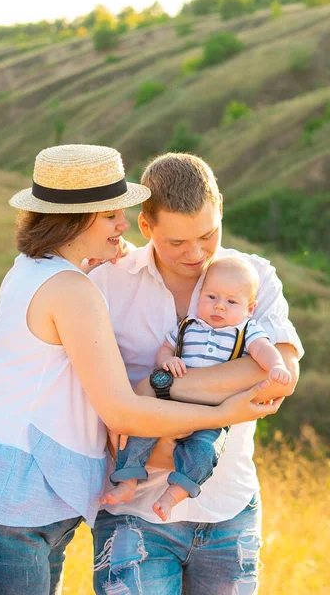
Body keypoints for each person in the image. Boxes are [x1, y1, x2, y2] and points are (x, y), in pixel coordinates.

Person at [0, 145, 278, 595]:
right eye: (112, 215)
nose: (123, 225)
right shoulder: (72, 288)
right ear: (75, 220)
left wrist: (107, 252)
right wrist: (226, 414)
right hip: (1, 508)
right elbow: (123, 412)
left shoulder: (37, 270)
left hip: (20, 510)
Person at [91, 152, 303, 594]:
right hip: (134, 513)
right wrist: (226, 396)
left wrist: (154, 388)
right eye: (177, 243)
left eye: (208, 235)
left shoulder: (254, 276)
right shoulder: (108, 283)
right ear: (146, 227)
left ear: (221, 207)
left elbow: (281, 371)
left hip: (229, 508)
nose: (196, 254)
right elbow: (103, 404)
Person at [103, 256, 292, 522]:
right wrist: (167, 360)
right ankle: (128, 481)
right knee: (138, 434)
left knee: (204, 452)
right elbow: (166, 348)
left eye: (232, 302)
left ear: (250, 308)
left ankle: (173, 495)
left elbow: (263, 349)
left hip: (211, 415)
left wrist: (275, 366)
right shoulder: (188, 325)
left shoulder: (246, 330)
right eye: (212, 297)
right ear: (200, 296)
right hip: (170, 407)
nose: (220, 307)